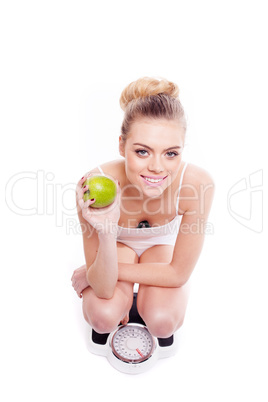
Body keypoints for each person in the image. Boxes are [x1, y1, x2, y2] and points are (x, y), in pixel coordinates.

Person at [71, 77, 214, 339]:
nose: (158, 167)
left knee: (162, 323)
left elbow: (177, 273)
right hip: (115, 248)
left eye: (171, 153)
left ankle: (146, 298)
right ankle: (124, 299)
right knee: (103, 318)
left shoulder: (197, 185)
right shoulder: (94, 186)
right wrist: (106, 231)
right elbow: (103, 289)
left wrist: (94, 271)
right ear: (122, 146)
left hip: (161, 251)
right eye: (142, 152)